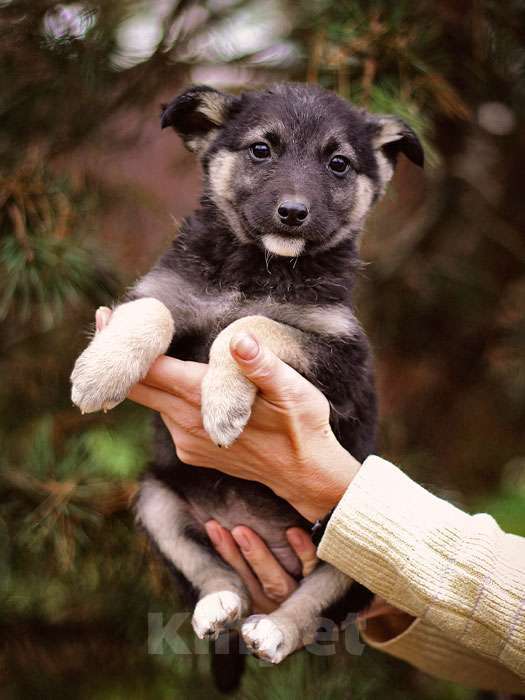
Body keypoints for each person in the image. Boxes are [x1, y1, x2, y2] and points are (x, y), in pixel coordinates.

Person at [95, 308, 525, 693]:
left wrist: (320, 490)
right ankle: (219, 588)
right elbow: (504, 660)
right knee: (154, 499)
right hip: (222, 516)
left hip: (309, 530)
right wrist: (387, 596)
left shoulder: (323, 315)